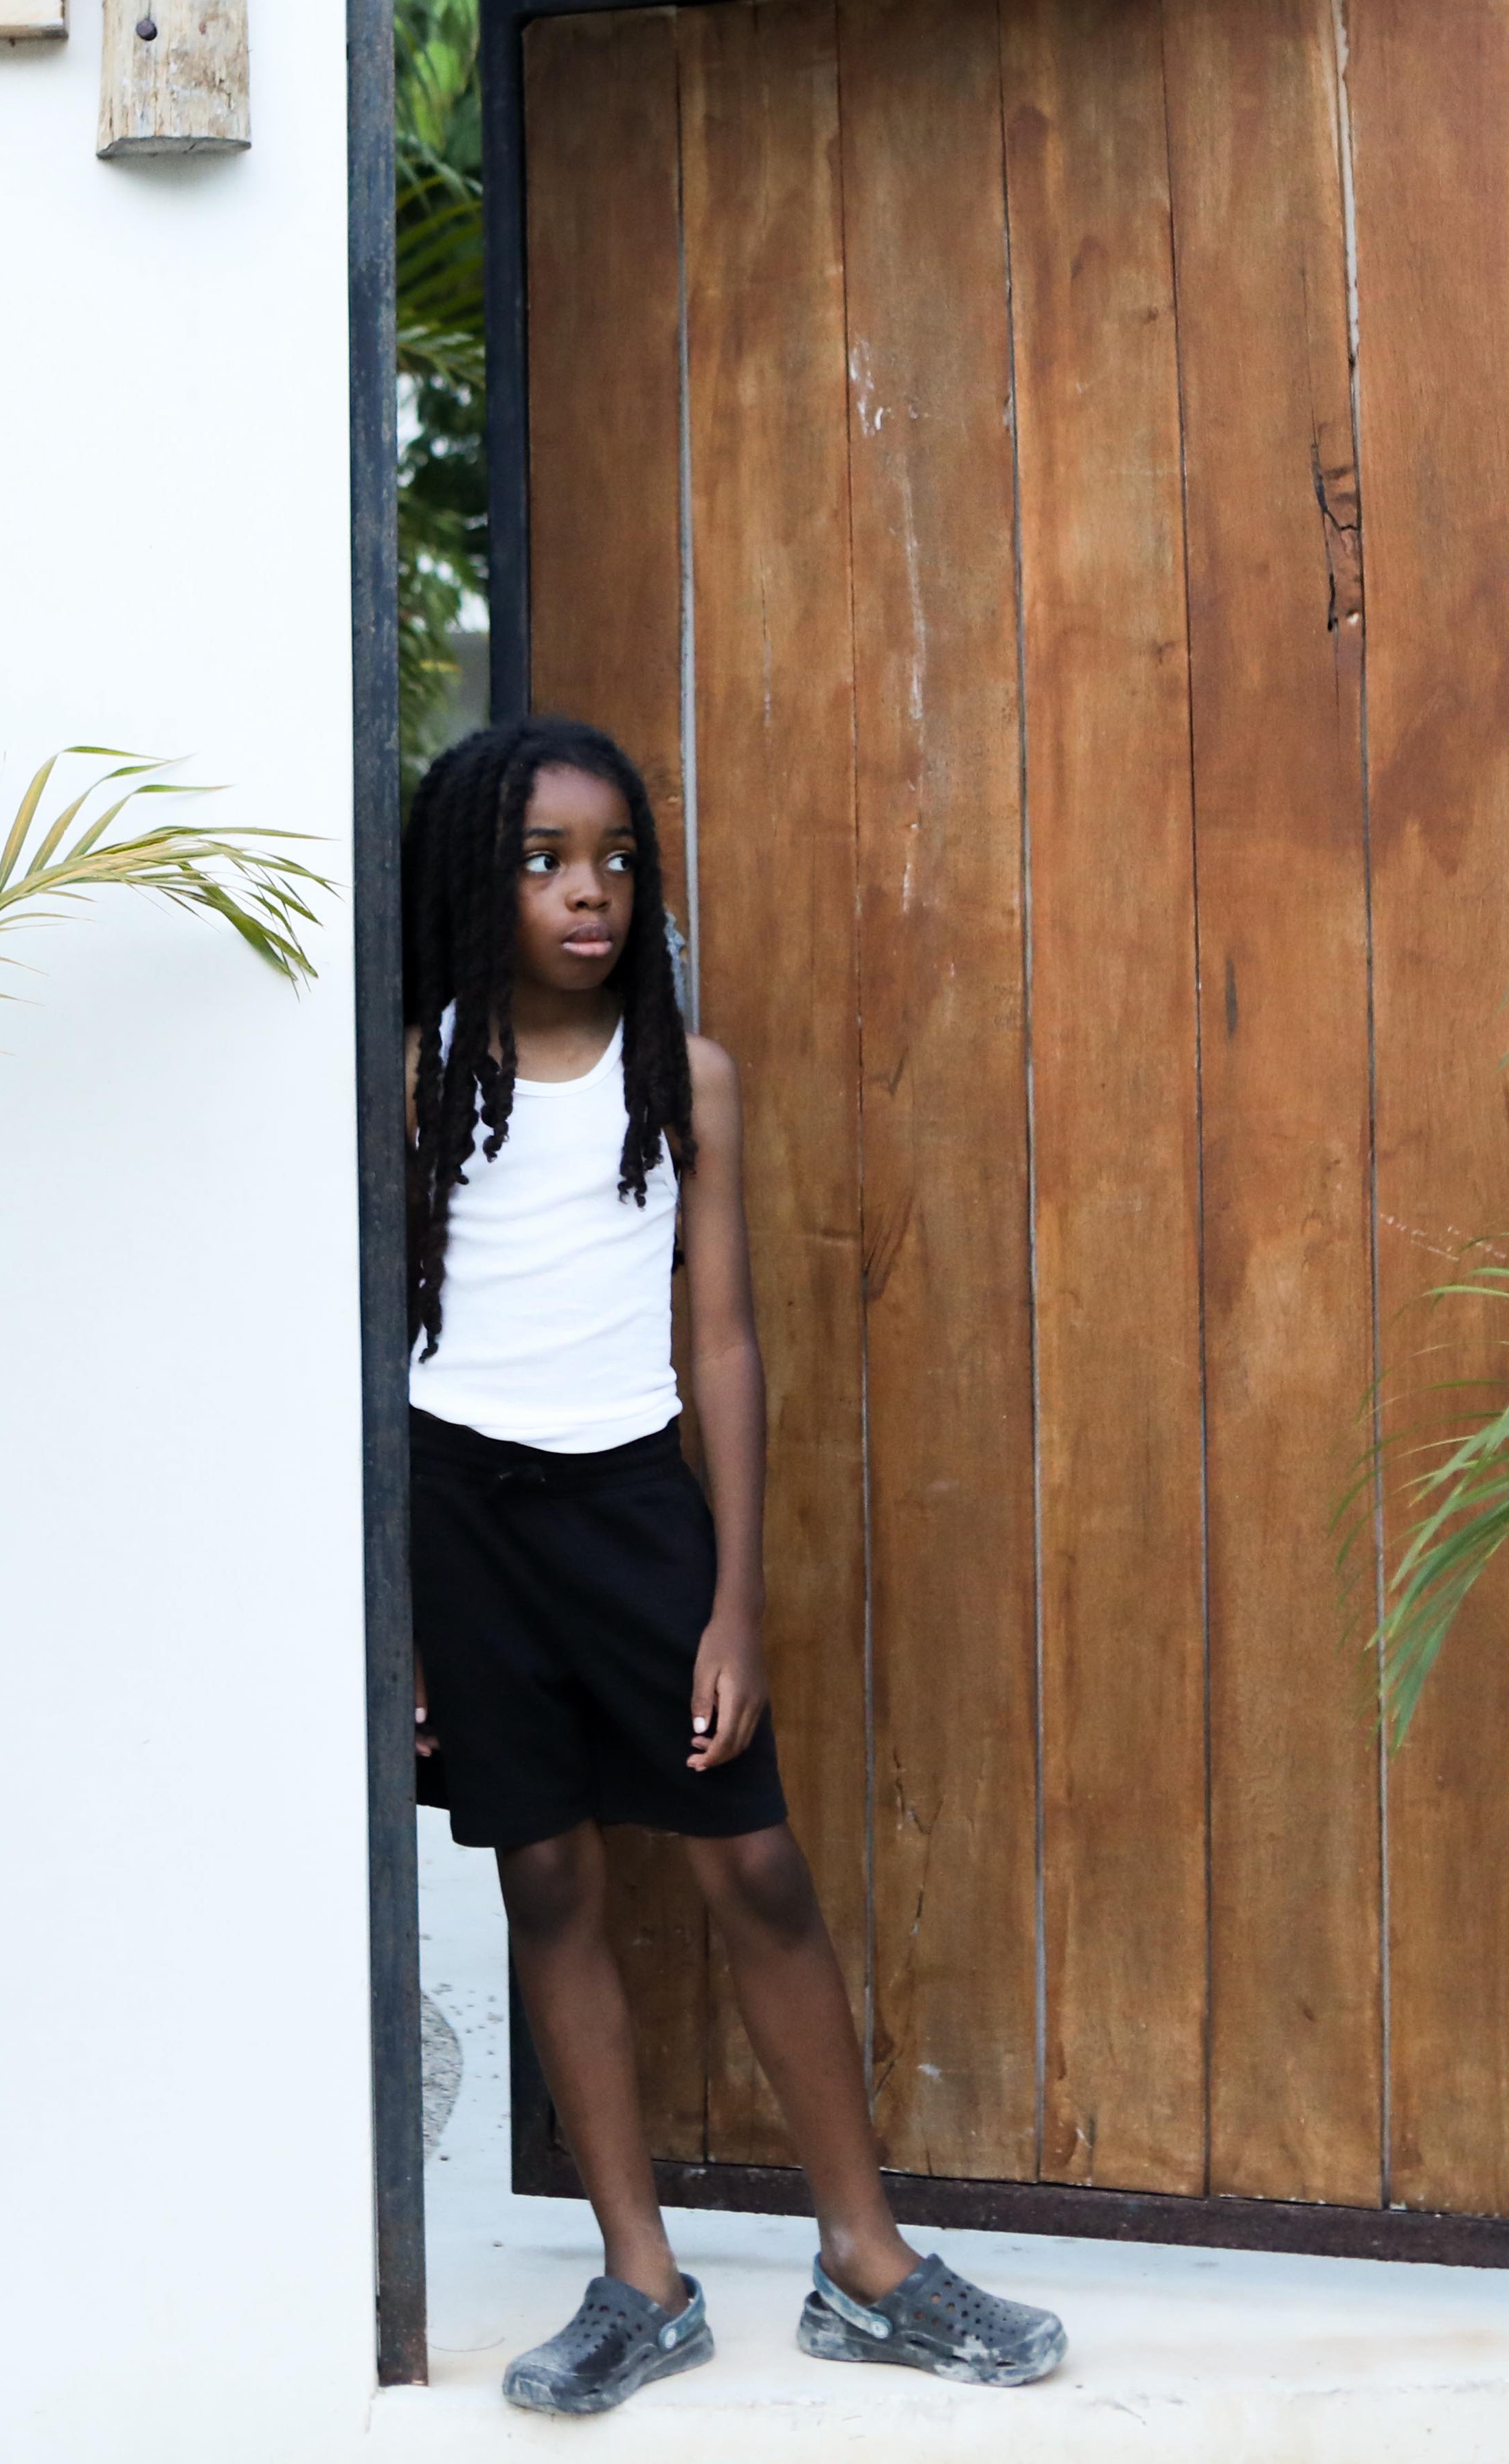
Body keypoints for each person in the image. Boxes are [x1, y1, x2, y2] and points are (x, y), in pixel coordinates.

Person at [404, 714, 1067, 2417]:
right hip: (466, 1519)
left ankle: (870, 2261)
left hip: (635, 1513)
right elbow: (375, 1334)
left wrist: (733, 1599)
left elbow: (727, 1341)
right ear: (484, 878)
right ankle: (642, 2275)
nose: (589, 893)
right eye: (548, 859)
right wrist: (394, 1618)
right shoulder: (424, 1073)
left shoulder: (686, 1079)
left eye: (619, 859)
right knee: (545, 1878)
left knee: (753, 1869)